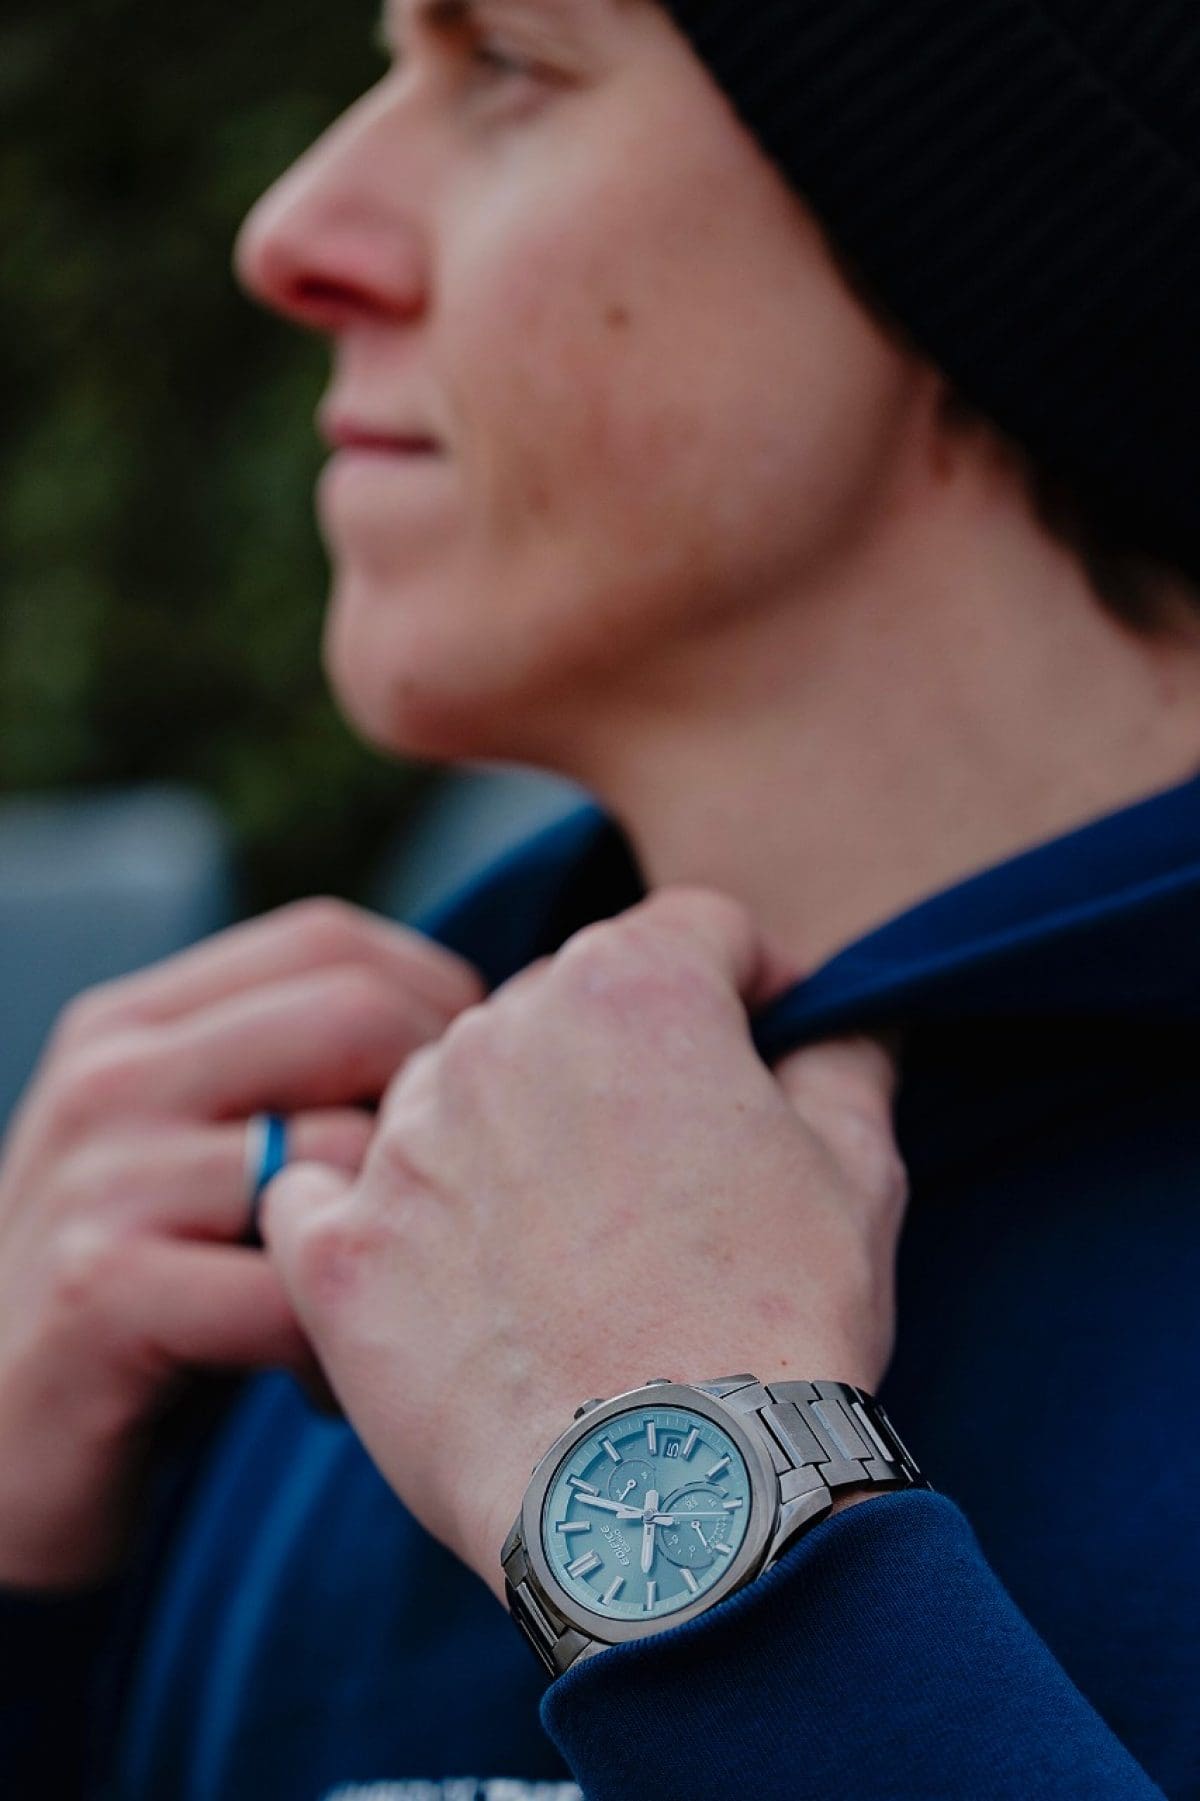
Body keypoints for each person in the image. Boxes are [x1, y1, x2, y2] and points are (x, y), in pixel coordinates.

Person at [2, 0, 1199, 1794]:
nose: (294, 231)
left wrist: (705, 1520)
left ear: (980, 211)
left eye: (509, 67)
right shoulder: (328, 1198)